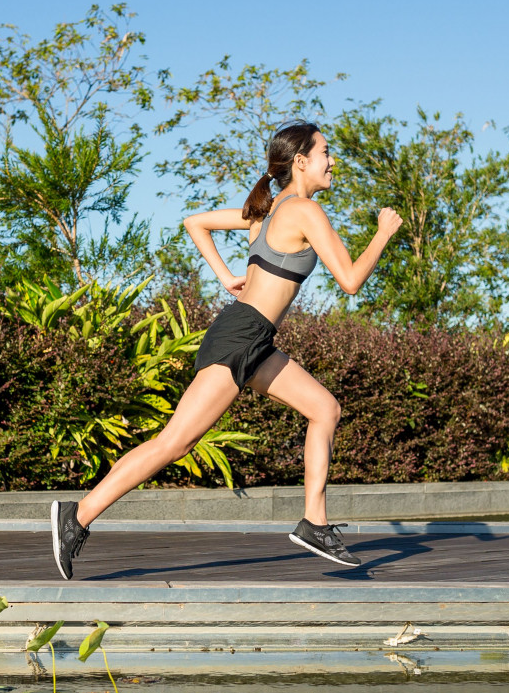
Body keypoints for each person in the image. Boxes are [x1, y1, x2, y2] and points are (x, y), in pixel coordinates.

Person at [49, 120, 403, 579]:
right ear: (300, 162)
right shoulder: (302, 211)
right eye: (325, 153)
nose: (331, 162)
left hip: (253, 339)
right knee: (176, 443)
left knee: (325, 409)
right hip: (240, 336)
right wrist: (383, 233)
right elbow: (351, 281)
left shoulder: (266, 210)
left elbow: (195, 223)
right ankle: (75, 517)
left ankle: (314, 523)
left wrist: (224, 275)